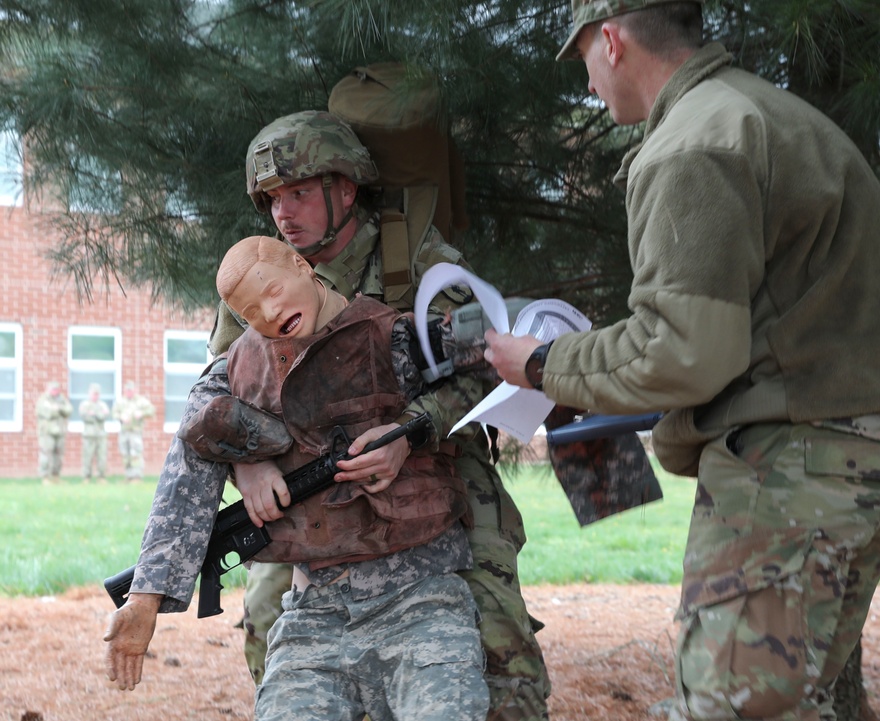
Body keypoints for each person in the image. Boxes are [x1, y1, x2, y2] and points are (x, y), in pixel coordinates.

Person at [483, 2, 880, 720]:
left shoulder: (695, 139)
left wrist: (540, 363)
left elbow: (684, 351)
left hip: (794, 464)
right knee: (790, 702)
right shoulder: (763, 113)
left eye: (587, 65)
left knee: (734, 707)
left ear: (611, 40)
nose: (590, 88)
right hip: (855, 453)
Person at [105, 109, 549, 721]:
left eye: (300, 193)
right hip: (301, 479)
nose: (284, 213)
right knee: (268, 623)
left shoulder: (415, 259)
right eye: (272, 200)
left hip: (431, 456)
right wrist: (252, 466)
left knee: (494, 631)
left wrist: (410, 432)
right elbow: (215, 411)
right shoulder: (255, 277)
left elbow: (490, 362)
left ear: (345, 189)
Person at [106, 234, 490, 720]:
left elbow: (499, 353)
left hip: (422, 600)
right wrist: (145, 597)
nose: (268, 314)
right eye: (250, 313)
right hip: (315, 614)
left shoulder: (393, 337)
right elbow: (190, 462)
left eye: (271, 291)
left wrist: (412, 430)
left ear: (300, 264)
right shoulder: (237, 373)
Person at [112, 381, 156, 482]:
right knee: (125, 454)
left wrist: (142, 413)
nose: (129, 393)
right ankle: (129, 476)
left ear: (134, 391)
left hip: (135, 432)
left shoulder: (140, 401)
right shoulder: (120, 402)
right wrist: (120, 417)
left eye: (131, 391)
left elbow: (152, 410)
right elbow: (114, 413)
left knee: (135, 453)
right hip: (124, 432)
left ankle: (136, 477)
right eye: (127, 391)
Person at [35, 380, 72, 485]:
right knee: (46, 454)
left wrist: (58, 408)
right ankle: (45, 477)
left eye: (57, 389)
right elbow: (47, 413)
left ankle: (56, 476)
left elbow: (69, 410)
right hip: (47, 432)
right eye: (53, 389)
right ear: (48, 389)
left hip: (59, 431)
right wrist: (57, 410)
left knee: (58, 455)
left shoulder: (61, 399)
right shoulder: (43, 400)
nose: (55, 391)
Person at [79, 383, 110, 483]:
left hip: (101, 435)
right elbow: (84, 416)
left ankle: (101, 477)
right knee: (87, 457)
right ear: (89, 393)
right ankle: (86, 477)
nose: (95, 396)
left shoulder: (102, 405)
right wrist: (98, 415)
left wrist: (94, 414)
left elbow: (104, 416)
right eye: (93, 394)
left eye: (97, 394)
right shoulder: (85, 404)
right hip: (89, 436)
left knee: (102, 457)